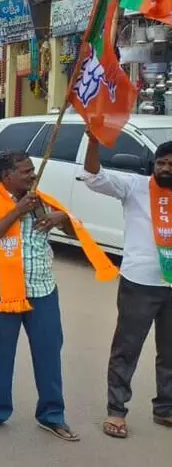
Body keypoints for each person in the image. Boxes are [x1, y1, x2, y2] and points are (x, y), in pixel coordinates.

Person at [0, 151, 116, 442]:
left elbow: (74, 233)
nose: (33, 176)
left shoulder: (42, 200)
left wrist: (63, 217)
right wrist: (17, 211)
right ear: (7, 176)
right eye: (26, 172)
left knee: (48, 354)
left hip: (42, 291)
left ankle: (52, 416)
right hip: (0, 291)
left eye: (32, 170)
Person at [81, 137, 172, 438]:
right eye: (161, 163)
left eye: (171, 164)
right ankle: (116, 411)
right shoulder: (134, 186)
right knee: (127, 349)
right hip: (140, 283)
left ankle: (165, 408)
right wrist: (94, 143)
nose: (166, 168)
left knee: (170, 352)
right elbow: (95, 176)